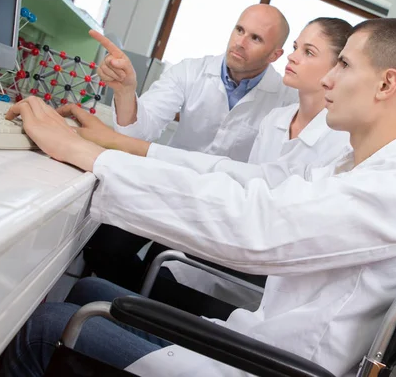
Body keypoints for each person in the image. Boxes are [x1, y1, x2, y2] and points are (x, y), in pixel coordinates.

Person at [2, 18, 396, 377]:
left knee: (45, 327)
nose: (328, 80)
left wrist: (86, 154)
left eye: (344, 65)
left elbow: (253, 225)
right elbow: (244, 180)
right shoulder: (358, 169)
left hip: (265, 365)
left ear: (385, 85)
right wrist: (110, 151)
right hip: (256, 343)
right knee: (88, 289)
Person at [117, 16, 354, 312]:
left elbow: (258, 203)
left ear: (338, 68)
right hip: (215, 225)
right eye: (296, 47)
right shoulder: (276, 120)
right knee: (112, 242)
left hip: (250, 264)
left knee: (147, 274)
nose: (294, 57)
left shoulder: (341, 141)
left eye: (308, 52)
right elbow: (242, 189)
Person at [82, 4, 298, 289]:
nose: (240, 42)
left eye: (255, 38)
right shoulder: (189, 71)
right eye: (239, 29)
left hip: (217, 211)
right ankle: (128, 305)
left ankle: (135, 312)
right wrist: (125, 90)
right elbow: (138, 133)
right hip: (164, 187)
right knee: (101, 248)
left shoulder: (287, 99)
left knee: (166, 275)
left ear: (275, 55)